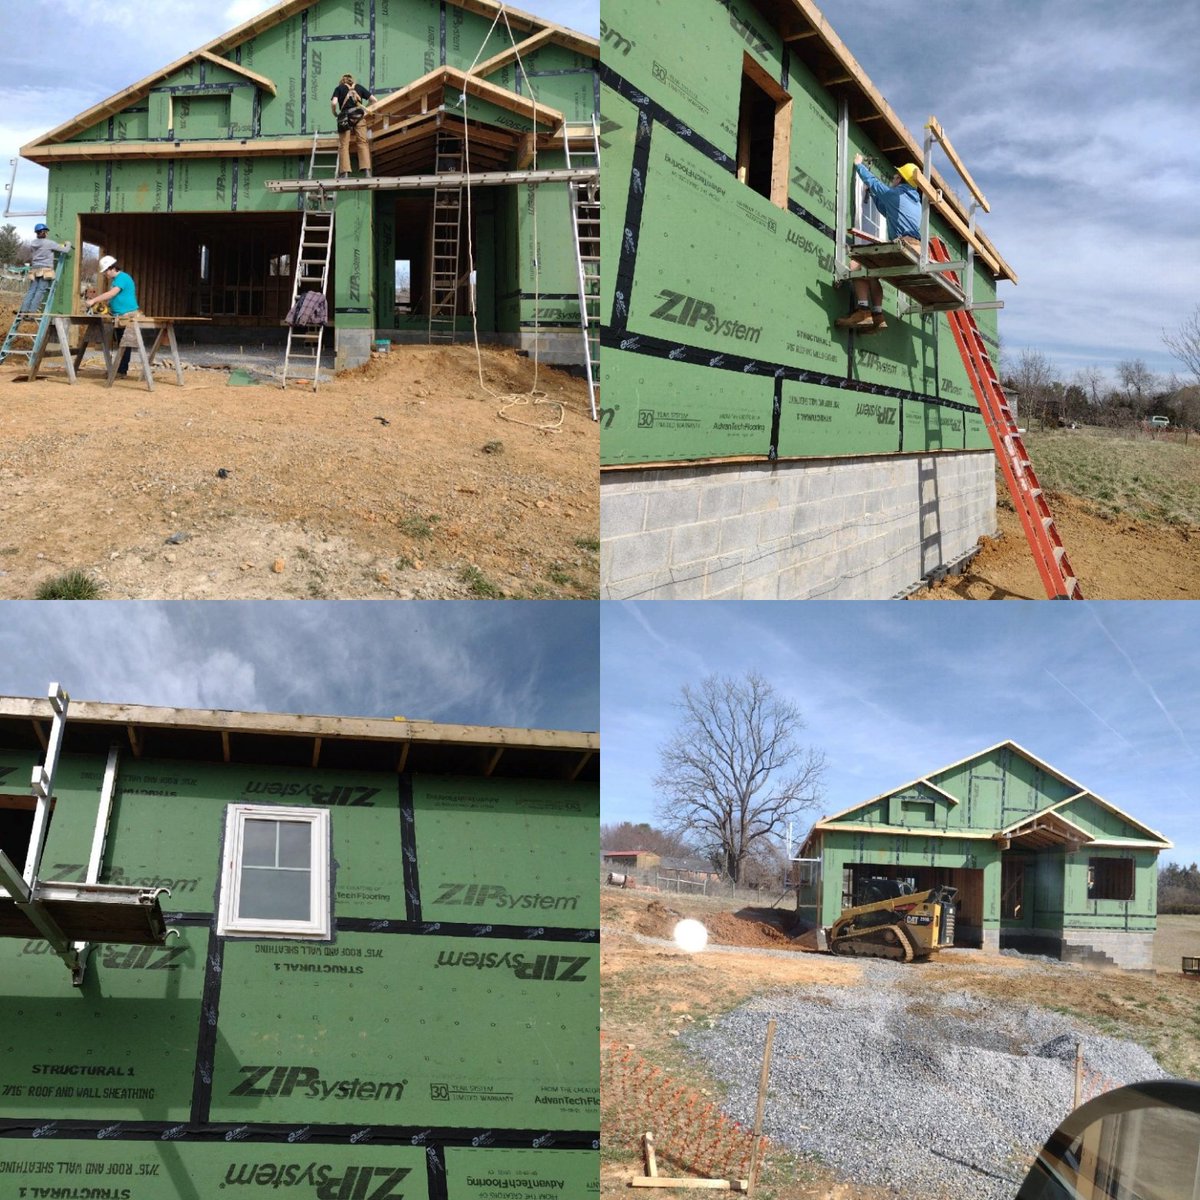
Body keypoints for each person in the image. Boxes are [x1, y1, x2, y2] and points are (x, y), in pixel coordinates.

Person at [835, 154, 921, 333]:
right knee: (873, 275)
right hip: (915, 249)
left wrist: (859, 166)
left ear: (901, 180)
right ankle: (878, 316)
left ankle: (862, 312)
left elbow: (875, 184)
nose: (893, 178)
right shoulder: (915, 200)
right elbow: (885, 209)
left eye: (895, 176)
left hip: (904, 245)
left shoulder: (897, 193)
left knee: (856, 264)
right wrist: (872, 195)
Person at [85, 254, 141, 377]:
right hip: (120, 315)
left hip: (128, 315)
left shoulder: (122, 277)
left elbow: (111, 294)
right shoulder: (117, 280)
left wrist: (94, 301)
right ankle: (119, 370)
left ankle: (121, 371)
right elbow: (115, 297)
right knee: (122, 343)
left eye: (106, 271)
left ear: (111, 268)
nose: (105, 274)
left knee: (125, 344)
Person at [20, 223, 72, 314]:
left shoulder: (33, 243)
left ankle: (24, 310)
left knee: (32, 290)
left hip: (35, 269)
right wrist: (68, 244)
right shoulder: (49, 243)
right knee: (40, 290)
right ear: (43, 232)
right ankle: (32, 312)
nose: (47, 233)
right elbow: (66, 250)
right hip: (45, 270)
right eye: (46, 232)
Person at [330, 72, 375, 178]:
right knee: (362, 142)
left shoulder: (339, 88)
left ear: (342, 81)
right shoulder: (358, 87)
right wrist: (363, 110)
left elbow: (333, 103)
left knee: (344, 145)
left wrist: (335, 113)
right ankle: (367, 171)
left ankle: (345, 173)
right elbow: (374, 100)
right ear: (352, 80)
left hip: (345, 117)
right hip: (359, 117)